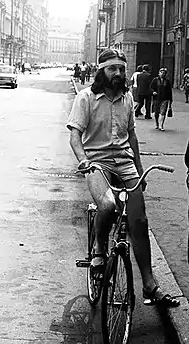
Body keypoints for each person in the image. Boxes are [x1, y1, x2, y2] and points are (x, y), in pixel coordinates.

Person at [66, 48, 180, 308]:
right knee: (107, 205)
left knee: (139, 220)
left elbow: (132, 136)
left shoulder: (128, 98)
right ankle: (99, 249)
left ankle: (150, 286)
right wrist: (83, 160)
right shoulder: (86, 98)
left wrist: (139, 169)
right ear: (101, 71)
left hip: (125, 164)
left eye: (121, 69)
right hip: (96, 163)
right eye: (112, 69)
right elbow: (74, 136)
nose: (118, 73)